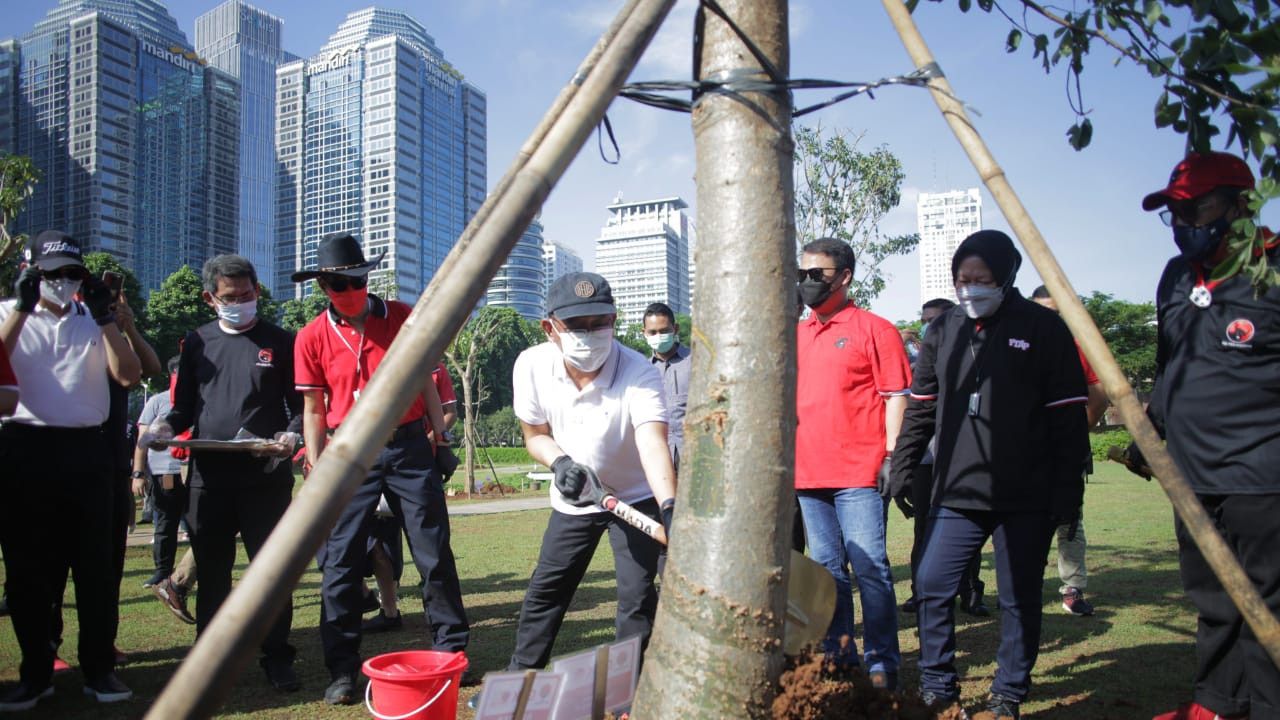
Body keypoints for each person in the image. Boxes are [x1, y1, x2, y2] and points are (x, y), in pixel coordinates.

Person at [891, 230, 1088, 719]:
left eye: (982, 280)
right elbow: (920, 409)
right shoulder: (943, 330)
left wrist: (1068, 490)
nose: (970, 289)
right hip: (958, 490)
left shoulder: (1044, 328)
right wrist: (902, 465)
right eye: (962, 280)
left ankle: (1008, 693)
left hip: (1027, 493)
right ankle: (938, 686)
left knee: (1019, 599)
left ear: (1007, 276)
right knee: (933, 585)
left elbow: (1068, 417)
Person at [1135, 152, 1280, 720]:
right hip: (1190, 474)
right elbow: (1170, 364)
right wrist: (1153, 422)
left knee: (1266, 600)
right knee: (1213, 598)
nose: (1183, 222)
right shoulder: (1176, 278)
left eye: (1196, 208)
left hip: (1262, 474)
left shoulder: (1272, 270)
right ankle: (1217, 704)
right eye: (1174, 211)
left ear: (1242, 206)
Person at [292, 233, 466, 705]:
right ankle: (342, 670)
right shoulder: (311, 336)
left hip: (408, 447)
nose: (344, 290)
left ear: (366, 277)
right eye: (333, 283)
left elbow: (426, 381)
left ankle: (451, 651)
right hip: (349, 453)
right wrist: (315, 461)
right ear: (322, 286)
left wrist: (440, 437)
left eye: (351, 280)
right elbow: (313, 407)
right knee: (343, 562)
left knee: (433, 552)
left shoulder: (404, 317)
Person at [141, 254, 303, 693]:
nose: (241, 303)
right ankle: (210, 659)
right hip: (208, 477)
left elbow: (301, 408)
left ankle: (277, 656)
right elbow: (183, 408)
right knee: (213, 572)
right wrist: (162, 429)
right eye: (230, 298)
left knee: (271, 571)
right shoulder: (197, 342)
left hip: (265, 475)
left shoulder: (281, 340)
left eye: (248, 295)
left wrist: (291, 436)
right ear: (210, 298)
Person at [506, 272, 676, 671]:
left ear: (614, 319)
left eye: (599, 323)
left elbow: (652, 442)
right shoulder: (531, 365)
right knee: (547, 590)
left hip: (637, 497)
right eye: (576, 326)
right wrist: (560, 462)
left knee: (636, 598)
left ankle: (627, 693)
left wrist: (670, 507)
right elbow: (535, 435)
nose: (590, 333)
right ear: (550, 328)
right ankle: (520, 678)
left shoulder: (639, 371)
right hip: (578, 495)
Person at [0, 231, 141, 711]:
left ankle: (98, 668)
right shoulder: (7, 312)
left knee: (97, 568)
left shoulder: (92, 319)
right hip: (24, 448)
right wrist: (20, 307)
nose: (62, 282)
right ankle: (35, 673)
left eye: (71, 273)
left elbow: (128, 374)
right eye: (52, 273)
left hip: (88, 450)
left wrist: (105, 318)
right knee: (27, 572)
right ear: (31, 271)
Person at [794, 237, 908, 689]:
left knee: (871, 568)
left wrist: (891, 455)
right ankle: (839, 653)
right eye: (802, 274)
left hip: (859, 473)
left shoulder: (876, 329)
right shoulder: (796, 335)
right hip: (808, 475)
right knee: (825, 572)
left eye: (816, 275)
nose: (807, 283)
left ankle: (883, 663)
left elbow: (896, 397)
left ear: (844, 276)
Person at [899, 298, 989, 619]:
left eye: (935, 319)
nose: (929, 325)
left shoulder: (974, 356)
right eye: (925, 319)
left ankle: (971, 592)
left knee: (967, 527)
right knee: (924, 530)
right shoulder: (912, 362)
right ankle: (919, 593)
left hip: (960, 461)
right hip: (925, 461)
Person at [1031, 285, 1109, 617]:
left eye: (1057, 311)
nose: (1050, 317)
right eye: (1043, 310)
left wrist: (1076, 435)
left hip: (1066, 454)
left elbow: (1098, 394)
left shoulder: (1077, 348)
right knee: (1024, 519)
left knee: (1070, 520)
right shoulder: (1018, 344)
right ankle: (1023, 585)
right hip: (1026, 455)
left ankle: (1073, 589)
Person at [134, 358, 187, 588]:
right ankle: (162, 571)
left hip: (195, 471)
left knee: (201, 524)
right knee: (165, 523)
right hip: (166, 472)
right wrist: (137, 473)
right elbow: (142, 441)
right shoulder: (157, 402)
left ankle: (196, 573)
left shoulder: (201, 400)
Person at [642, 302, 689, 472]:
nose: (658, 336)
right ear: (644, 333)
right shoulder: (642, 371)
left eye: (664, 331)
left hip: (693, 453)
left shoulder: (696, 362)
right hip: (658, 457)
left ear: (675, 329)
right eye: (653, 332)